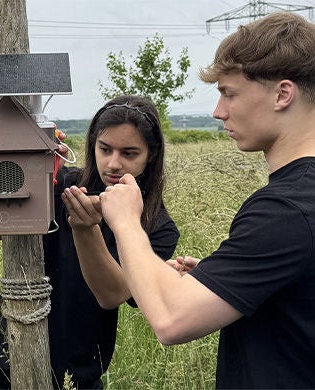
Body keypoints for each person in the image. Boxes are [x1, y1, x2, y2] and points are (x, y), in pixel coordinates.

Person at [99, 12, 315, 390]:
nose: (218, 112)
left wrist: (126, 223)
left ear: (283, 94)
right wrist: (223, 280)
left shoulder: (288, 209)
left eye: (229, 93)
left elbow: (170, 319)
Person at [0, 95, 179, 389]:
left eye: (129, 153)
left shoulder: (157, 227)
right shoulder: (65, 185)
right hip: (5, 354)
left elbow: (113, 294)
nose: (114, 163)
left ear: (150, 154)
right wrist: (26, 168)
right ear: (92, 146)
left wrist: (86, 229)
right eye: (105, 149)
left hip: (75, 372)